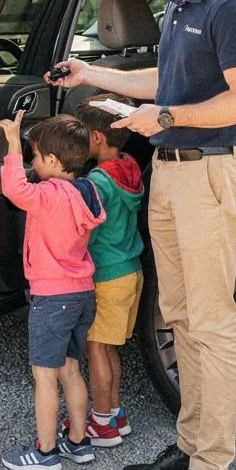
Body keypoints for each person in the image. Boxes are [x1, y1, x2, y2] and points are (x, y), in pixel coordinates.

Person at [49, 0, 236, 470]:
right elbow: (162, 82)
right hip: (171, 176)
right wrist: (92, 75)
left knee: (211, 322)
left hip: (211, 174)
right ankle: (190, 446)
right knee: (179, 317)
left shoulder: (231, 7)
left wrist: (164, 118)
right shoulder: (179, 5)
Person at [0, 112, 103, 470]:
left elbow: (13, 189)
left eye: (36, 157)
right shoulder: (87, 191)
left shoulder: (47, 195)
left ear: (54, 162)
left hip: (52, 298)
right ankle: (78, 441)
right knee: (71, 369)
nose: (32, 163)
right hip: (81, 293)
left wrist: (12, 145)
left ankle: (44, 452)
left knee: (44, 375)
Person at [74, 99, 145, 447]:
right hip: (131, 269)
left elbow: (86, 226)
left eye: (82, 135)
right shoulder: (130, 167)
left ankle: (101, 423)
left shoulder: (98, 181)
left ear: (98, 137)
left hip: (107, 274)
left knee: (95, 348)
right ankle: (114, 413)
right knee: (111, 347)